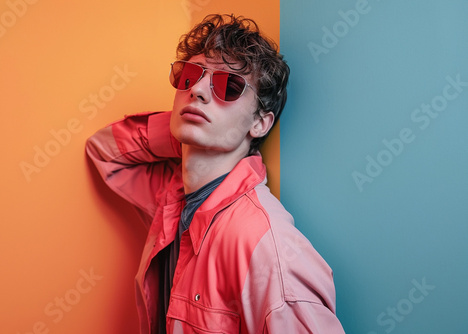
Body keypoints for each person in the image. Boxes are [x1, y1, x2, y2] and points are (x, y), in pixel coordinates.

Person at [86, 14, 345, 334]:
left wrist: (197, 130)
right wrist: (188, 132)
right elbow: (104, 151)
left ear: (260, 123)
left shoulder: (267, 248)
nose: (196, 91)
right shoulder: (172, 199)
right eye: (189, 77)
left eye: (228, 86)